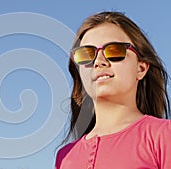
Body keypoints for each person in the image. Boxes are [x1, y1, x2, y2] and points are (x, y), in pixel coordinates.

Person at [55, 11, 171, 169]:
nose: (99, 62)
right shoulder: (64, 157)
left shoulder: (164, 135)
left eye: (114, 50)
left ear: (141, 68)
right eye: (86, 54)